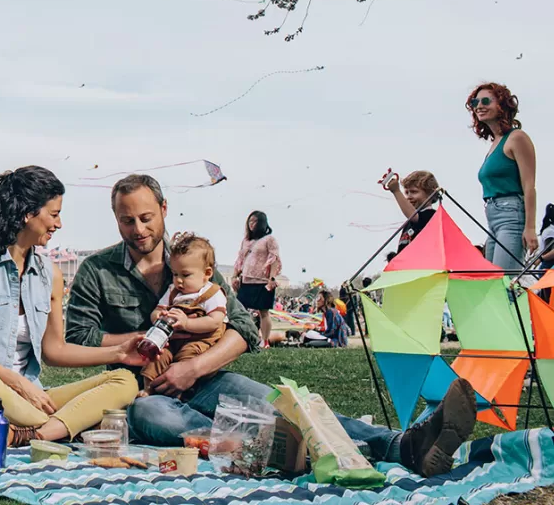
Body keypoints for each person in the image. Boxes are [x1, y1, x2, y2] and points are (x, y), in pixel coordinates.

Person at [64, 174, 478, 477]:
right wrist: (131, 345)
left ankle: (403, 445)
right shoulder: (97, 270)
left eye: (146, 217)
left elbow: (242, 328)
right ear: (115, 218)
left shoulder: (195, 260)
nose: (138, 229)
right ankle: (295, 452)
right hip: (140, 389)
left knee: (282, 403)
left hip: (205, 375)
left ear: (164, 210)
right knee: (162, 419)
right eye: (126, 221)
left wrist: (194, 368)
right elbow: (79, 339)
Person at [0, 166, 142, 445]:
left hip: (30, 401)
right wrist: (18, 383)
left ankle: (35, 434)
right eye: (54, 214)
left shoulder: (51, 275)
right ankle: (68, 424)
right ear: (27, 213)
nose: (59, 224)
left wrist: (119, 353)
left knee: (124, 381)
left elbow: (54, 350)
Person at [139, 233, 227, 398]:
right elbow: (156, 311)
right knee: (158, 356)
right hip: (172, 340)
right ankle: (148, 387)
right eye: (175, 274)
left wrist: (187, 323)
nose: (178, 280)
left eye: (185, 275)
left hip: (199, 341)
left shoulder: (212, 293)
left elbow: (215, 322)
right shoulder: (174, 292)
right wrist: (159, 316)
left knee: (187, 359)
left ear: (207, 273)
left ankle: (181, 392)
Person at [469, 83, 538, 271]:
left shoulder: (517, 138)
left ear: (502, 105)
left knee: (504, 280)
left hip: (511, 214)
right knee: (492, 282)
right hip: (492, 217)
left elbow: (529, 184)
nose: (479, 106)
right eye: (475, 102)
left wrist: (530, 227)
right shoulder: (495, 144)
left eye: (485, 101)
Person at [232, 211, 280, 348]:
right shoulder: (246, 241)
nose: (252, 224)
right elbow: (240, 260)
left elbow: (274, 259)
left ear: (262, 223)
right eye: (250, 221)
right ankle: (240, 337)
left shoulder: (269, 239)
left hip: (262, 281)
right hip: (246, 280)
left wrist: (272, 278)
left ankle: (264, 341)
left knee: (263, 311)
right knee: (240, 309)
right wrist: (235, 276)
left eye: (255, 221)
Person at [383, 170, 441, 254]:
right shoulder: (408, 223)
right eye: (406, 192)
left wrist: (396, 191)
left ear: (430, 194)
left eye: (414, 192)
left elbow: (413, 215)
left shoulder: (431, 215)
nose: (409, 197)